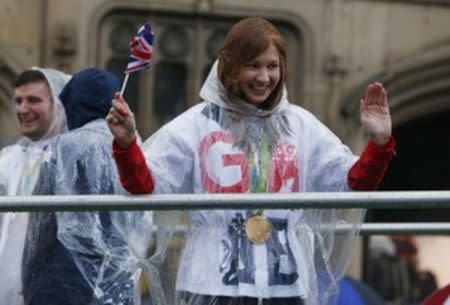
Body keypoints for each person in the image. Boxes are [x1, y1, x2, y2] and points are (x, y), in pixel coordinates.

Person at [107, 17, 396, 305]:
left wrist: (379, 144)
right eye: (253, 65)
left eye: (272, 66)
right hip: (211, 284)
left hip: (285, 287)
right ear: (232, 67)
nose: (264, 77)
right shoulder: (197, 124)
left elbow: (352, 183)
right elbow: (145, 185)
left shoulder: (300, 125)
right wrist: (127, 144)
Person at [21, 67, 136, 305]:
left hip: (61, 284)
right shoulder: (132, 144)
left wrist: (29, 283)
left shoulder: (66, 146)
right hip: (115, 281)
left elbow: (39, 231)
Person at [0, 67, 71, 305]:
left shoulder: (71, 158)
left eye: (33, 100)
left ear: (57, 105)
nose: (22, 109)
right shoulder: (12, 157)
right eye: (18, 100)